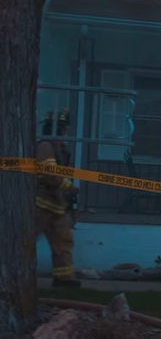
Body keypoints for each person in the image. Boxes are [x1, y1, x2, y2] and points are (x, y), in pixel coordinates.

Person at [35, 109, 81, 288]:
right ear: (61, 129)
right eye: (64, 128)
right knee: (25, 240)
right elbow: (49, 174)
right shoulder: (45, 146)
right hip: (39, 204)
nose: (65, 132)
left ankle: (64, 279)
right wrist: (68, 186)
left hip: (56, 205)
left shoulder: (60, 148)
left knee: (63, 241)